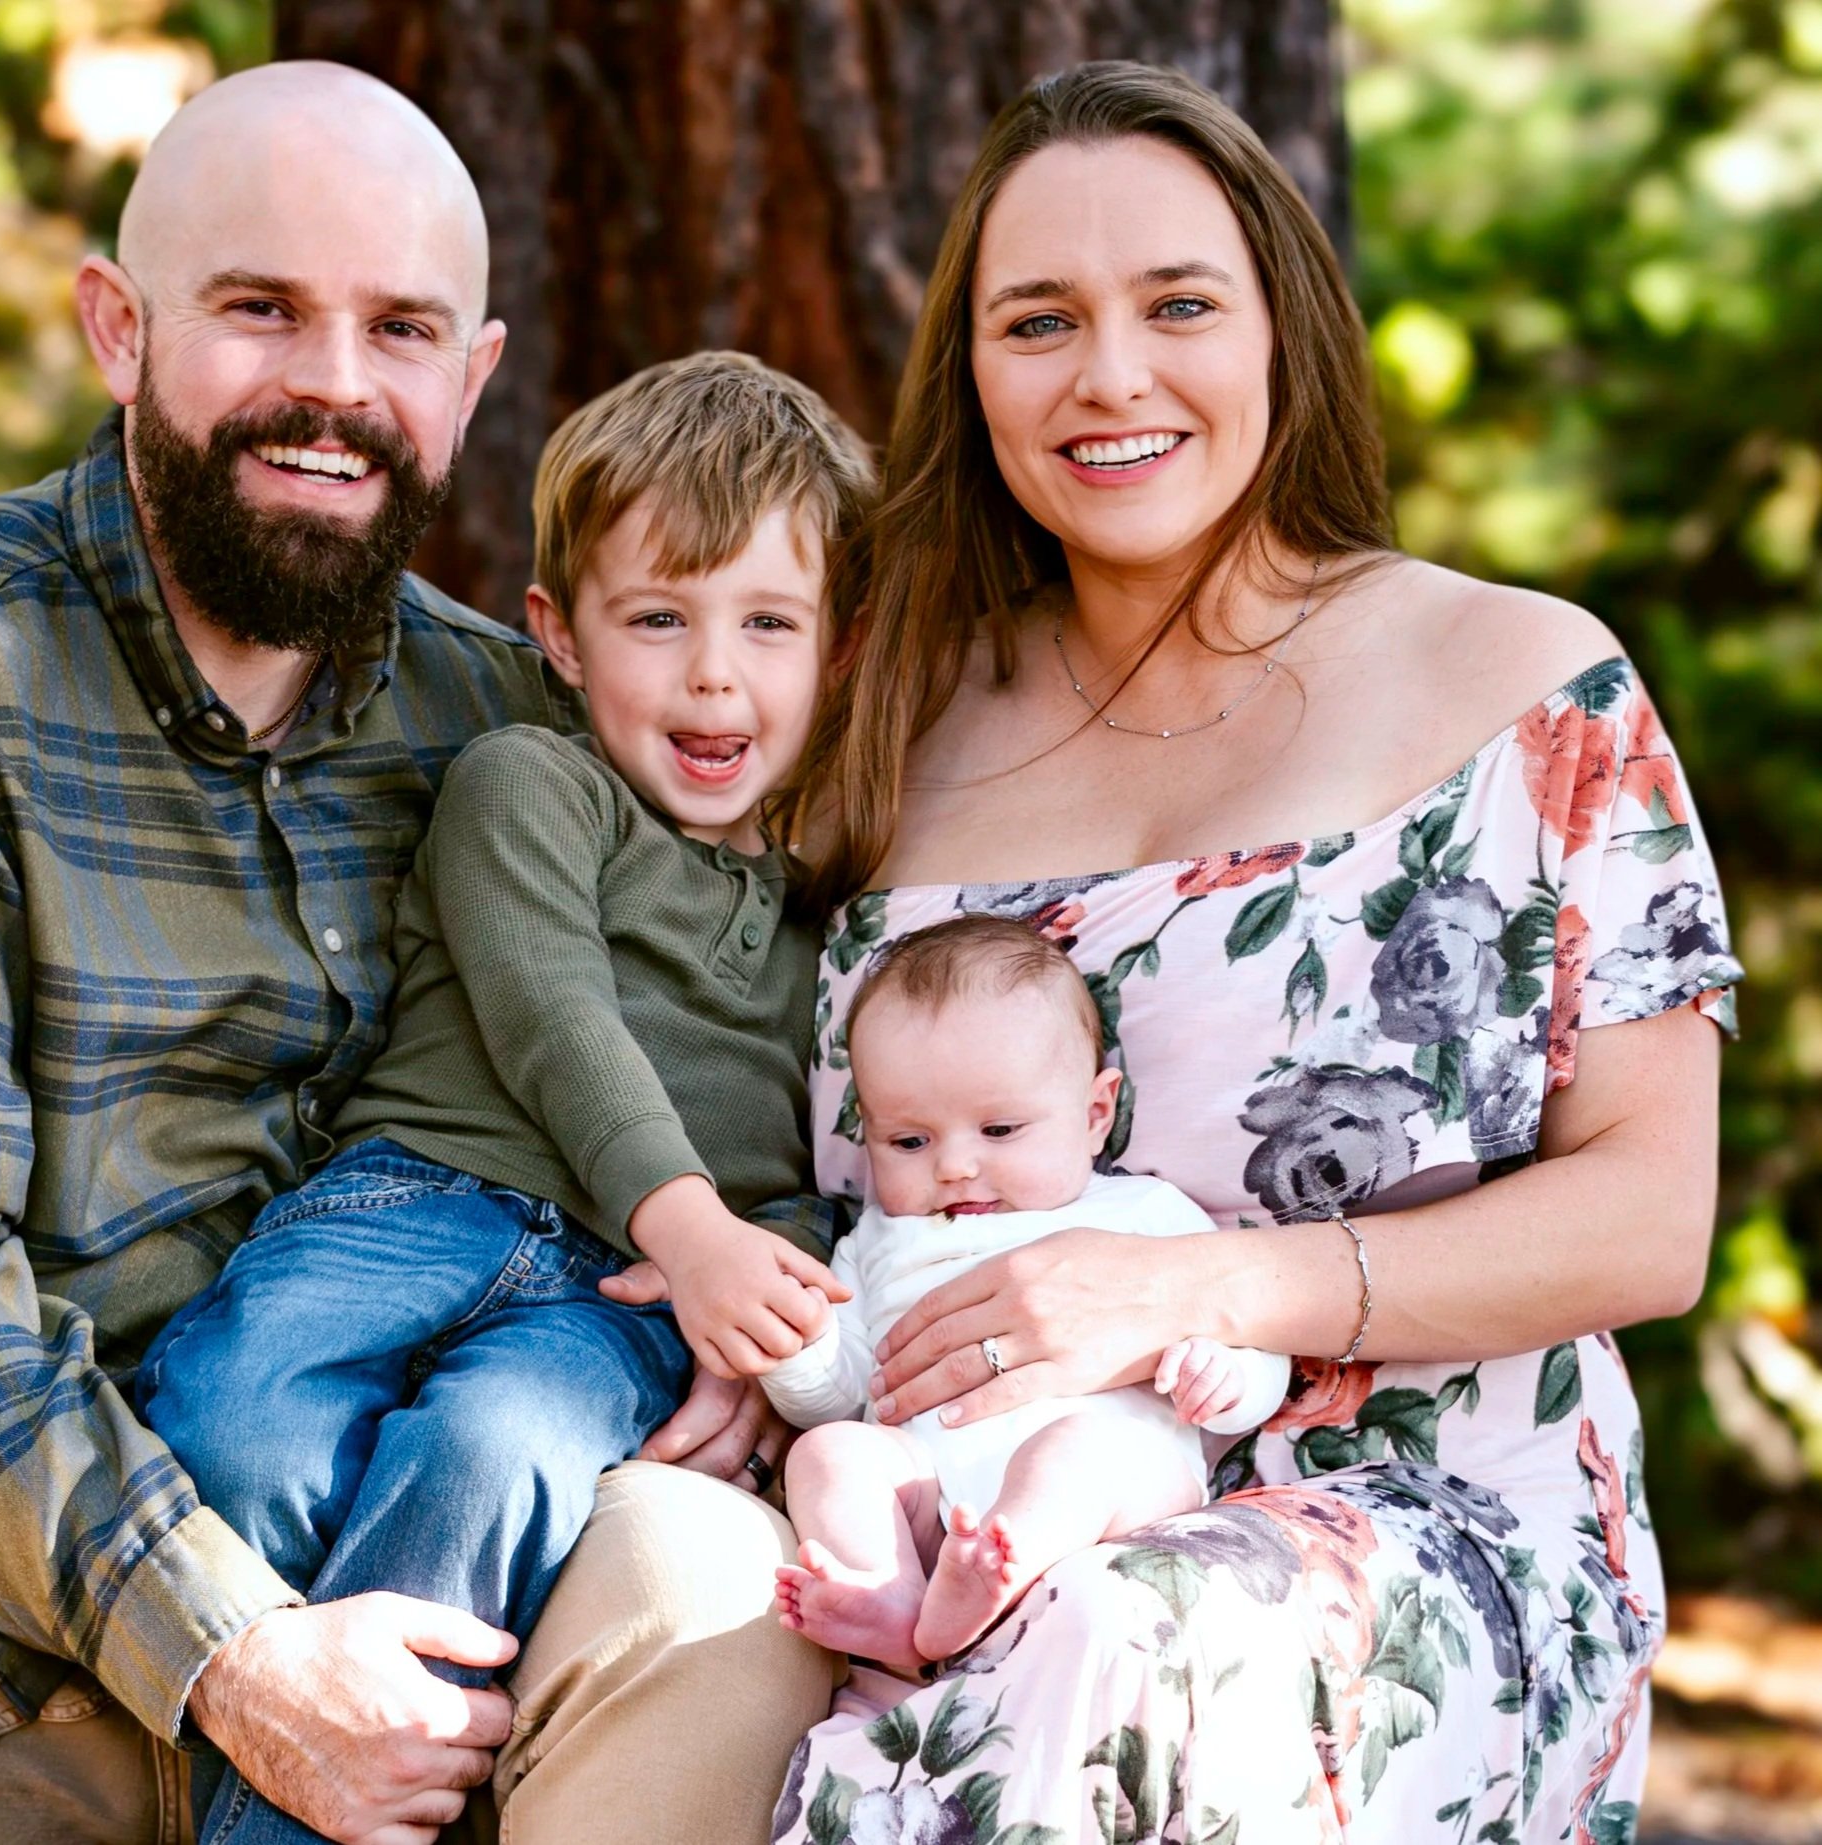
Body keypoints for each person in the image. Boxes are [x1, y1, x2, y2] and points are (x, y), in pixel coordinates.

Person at [0, 66, 834, 1845]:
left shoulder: (516, 709)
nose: (336, 385)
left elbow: (726, 1006)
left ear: (469, 380)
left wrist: (741, 1314)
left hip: (418, 1519)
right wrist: (230, 1655)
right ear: (118, 329)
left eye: (399, 330)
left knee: (718, 1615)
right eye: (261, 309)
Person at [759, 59, 1742, 1845]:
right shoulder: (882, 729)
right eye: (1036, 322)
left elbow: (1646, 1218)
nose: (1108, 377)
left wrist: (1199, 1291)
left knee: (1121, 1639)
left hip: (1415, 1517)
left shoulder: (1523, 688)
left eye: (1178, 305)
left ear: (1280, 329)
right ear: (969, 376)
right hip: (924, 1508)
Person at [137, 350, 871, 1844]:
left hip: (614, 1300)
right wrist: (698, 1227)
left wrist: (753, 1302)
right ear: (558, 636)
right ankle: (271, 1738)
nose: (712, 674)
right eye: (656, 619)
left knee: (492, 1455)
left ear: (839, 647)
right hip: (411, 1204)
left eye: (767, 624)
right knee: (239, 1420)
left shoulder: (831, 920)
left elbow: (820, 1165)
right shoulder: (527, 783)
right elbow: (553, 1018)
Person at [764, 914, 1289, 1674]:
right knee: (828, 1453)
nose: (953, 1166)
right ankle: (891, 1595)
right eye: (908, 1141)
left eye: (1000, 1129)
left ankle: (1000, 1571)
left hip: (1115, 1496)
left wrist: (1227, 1375)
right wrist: (798, 1342)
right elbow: (842, 1394)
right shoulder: (877, 1241)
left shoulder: (1143, 1214)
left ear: (1094, 1115)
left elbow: (1252, 1333)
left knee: (1072, 1450)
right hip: (936, 1510)